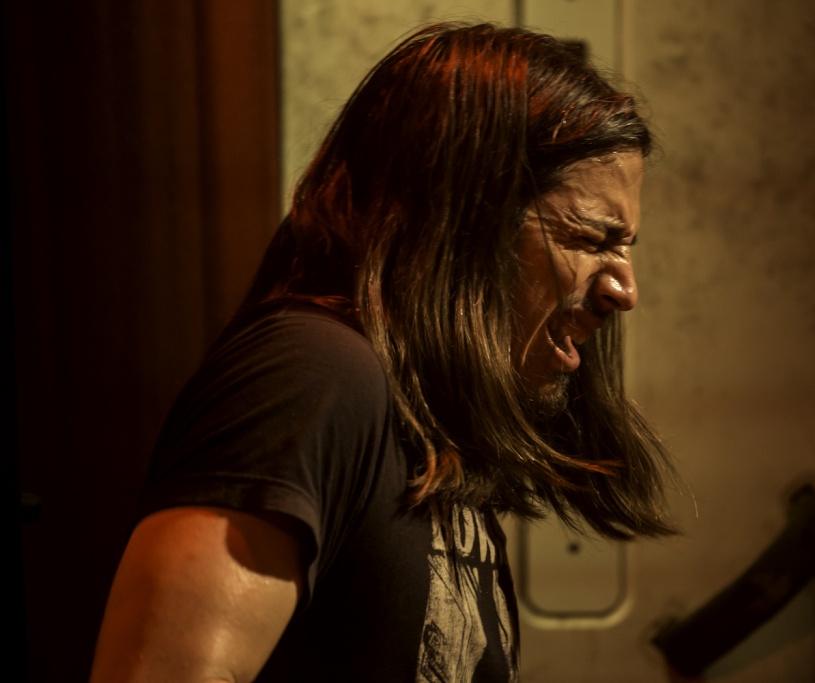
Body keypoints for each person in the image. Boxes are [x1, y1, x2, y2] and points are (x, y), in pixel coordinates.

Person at [90, 22, 674, 683]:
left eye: (626, 248)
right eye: (592, 239)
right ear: (466, 220)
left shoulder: (431, 430)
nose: (624, 290)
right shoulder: (311, 374)